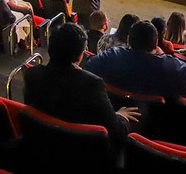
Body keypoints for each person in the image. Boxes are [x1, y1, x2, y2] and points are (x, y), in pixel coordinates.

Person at [23, 23, 139, 158]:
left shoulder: (32, 74)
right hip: (80, 156)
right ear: (80, 56)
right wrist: (120, 115)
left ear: (50, 48)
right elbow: (116, 131)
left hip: (39, 148)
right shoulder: (92, 84)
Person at [84, 21, 186, 98]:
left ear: (129, 40)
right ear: (156, 43)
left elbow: (87, 65)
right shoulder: (173, 68)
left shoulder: (111, 57)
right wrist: (165, 57)